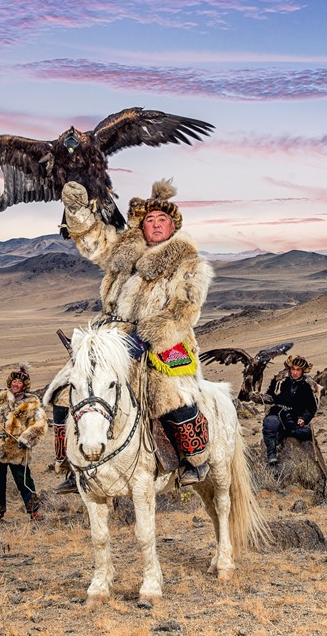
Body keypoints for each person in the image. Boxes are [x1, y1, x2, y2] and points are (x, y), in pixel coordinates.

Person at [57, 178, 214, 486]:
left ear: (174, 227)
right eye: (150, 220)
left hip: (162, 341)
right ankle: (71, 462)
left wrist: (147, 337)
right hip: (111, 334)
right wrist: (76, 211)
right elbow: (95, 240)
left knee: (167, 394)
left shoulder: (190, 264)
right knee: (68, 388)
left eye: (162, 220)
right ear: (142, 225)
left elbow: (184, 312)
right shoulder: (125, 254)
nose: (155, 224)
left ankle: (194, 458)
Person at [0, 365, 47, 523]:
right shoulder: (1, 397)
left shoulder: (31, 403)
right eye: (14, 381)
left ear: (25, 385)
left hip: (17, 447)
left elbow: (40, 424)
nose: (16, 384)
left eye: (19, 382)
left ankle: (34, 512)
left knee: (24, 480)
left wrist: (26, 438)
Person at [255, 355, 319, 466]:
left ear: (302, 371)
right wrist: (260, 397)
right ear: (290, 369)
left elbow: (311, 407)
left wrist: (304, 418)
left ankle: (283, 433)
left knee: (307, 432)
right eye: (293, 369)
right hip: (278, 414)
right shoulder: (279, 381)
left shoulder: (307, 386)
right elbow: (270, 396)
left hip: (294, 418)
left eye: (298, 370)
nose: (294, 372)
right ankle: (271, 455)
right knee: (269, 423)